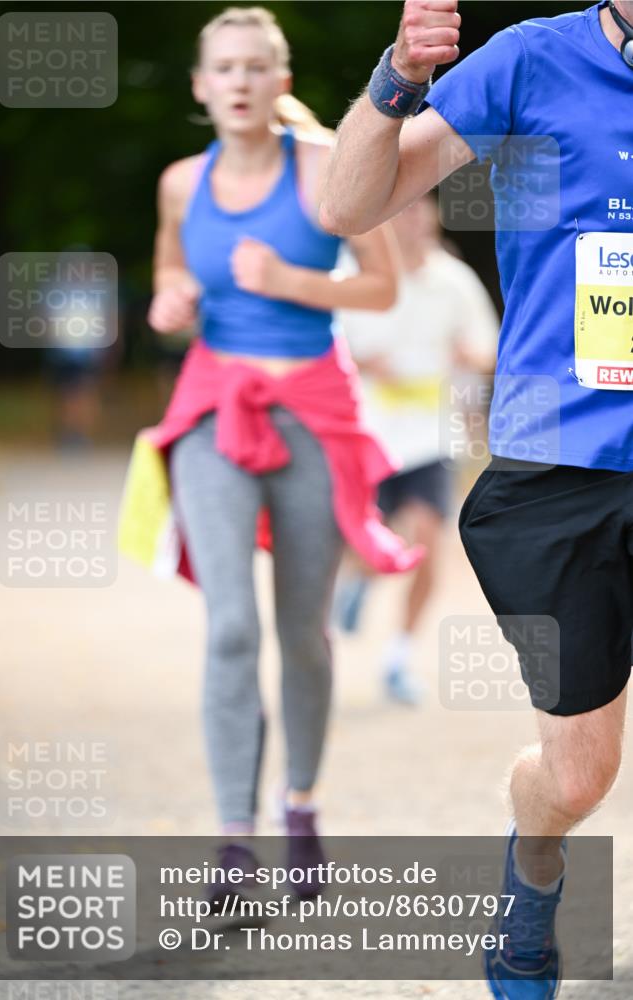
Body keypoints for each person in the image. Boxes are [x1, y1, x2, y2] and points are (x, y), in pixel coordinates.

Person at [320, 0, 632, 996]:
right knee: (577, 776)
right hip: (562, 470)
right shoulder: (531, 63)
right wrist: (394, 79)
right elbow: (350, 203)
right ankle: (532, 884)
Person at [144, 6, 423, 906]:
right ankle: (235, 843)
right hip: (212, 410)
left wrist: (292, 281)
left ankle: (299, 805)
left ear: (281, 81)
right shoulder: (182, 184)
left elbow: (381, 286)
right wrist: (170, 300)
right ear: (200, 85)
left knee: (302, 633)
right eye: (221, 68)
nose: (237, 81)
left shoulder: (326, 169)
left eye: (255, 66)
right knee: (231, 626)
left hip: (311, 409)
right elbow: (166, 272)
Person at [333, 193, 498, 703]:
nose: (411, 218)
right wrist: (360, 362)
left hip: (433, 432)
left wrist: (468, 354)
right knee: (366, 538)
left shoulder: (454, 280)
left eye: (419, 208)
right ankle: (358, 580)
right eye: (399, 210)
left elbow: (490, 348)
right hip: (366, 429)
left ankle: (399, 657)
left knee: (426, 538)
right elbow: (323, 344)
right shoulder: (347, 274)